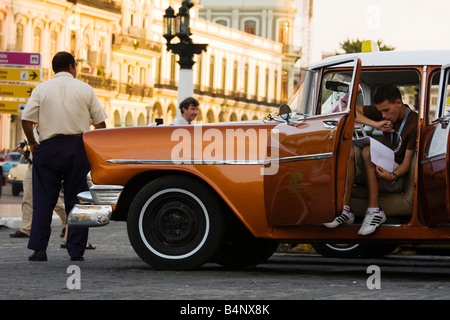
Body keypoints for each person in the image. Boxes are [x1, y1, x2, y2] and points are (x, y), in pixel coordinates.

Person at [21, 51, 107, 261]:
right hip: (77, 147)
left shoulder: (41, 89)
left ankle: (39, 249)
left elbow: (26, 119)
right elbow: (101, 124)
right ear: (71, 66)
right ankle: (76, 250)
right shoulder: (85, 89)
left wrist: (33, 142)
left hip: (48, 148)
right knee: (78, 201)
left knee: (43, 200)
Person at [324, 84, 418, 235]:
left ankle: (375, 211)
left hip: (395, 177)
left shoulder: (413, 123)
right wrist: (376, 125)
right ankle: (345, 209)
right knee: (350, 150)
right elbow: (351, 111)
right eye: (380, 112)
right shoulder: (383, 112)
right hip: (379, 166)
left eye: (386, 111)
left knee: (368, 151)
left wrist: (392, 176)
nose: (384, 116)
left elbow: (407, 163)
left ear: (399, 103)